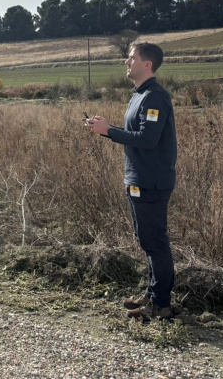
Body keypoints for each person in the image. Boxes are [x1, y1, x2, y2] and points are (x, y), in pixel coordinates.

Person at [85, 42, 177, 320]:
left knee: (155, 243)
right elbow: (138, 134)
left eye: (131, 58)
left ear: (147, 64)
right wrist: (107, 128)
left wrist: (109, 131)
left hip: (151, 182)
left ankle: (161, 305)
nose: (127, 62)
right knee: (147, 240)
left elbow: (148, 139)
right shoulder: (139, 95)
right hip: (139, 179)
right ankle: (152, 294)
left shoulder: (155, 97)